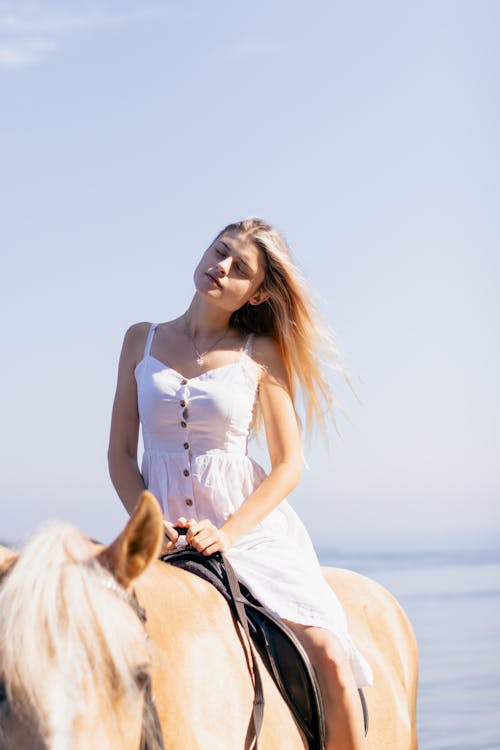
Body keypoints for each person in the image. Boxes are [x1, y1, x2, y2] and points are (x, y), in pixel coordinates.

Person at [107, 217, 373, 750]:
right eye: (219, 250)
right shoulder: (141, 339)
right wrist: (149, 525)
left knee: (330, 659)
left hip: (248, 536)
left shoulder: (262, 354)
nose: (220, 266)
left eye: (240, 268)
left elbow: (287, 465)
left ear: (256, 294)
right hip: (157, 537)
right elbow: (119, 453)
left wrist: (227, 534)